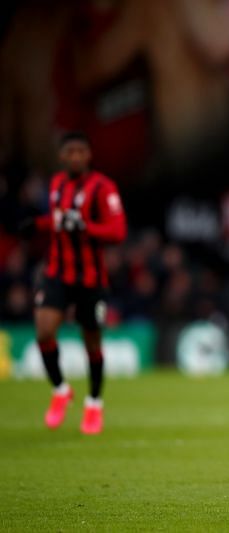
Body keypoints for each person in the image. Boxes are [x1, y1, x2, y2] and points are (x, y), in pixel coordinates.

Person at [32, 131, 127, 434]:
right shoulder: (57, 184)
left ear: (88, 155)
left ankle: (94, 404)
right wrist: (36, 225)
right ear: (62, 156)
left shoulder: (103, 187)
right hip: (57, 274)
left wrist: (87, 226)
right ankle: (61, 391)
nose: (75, 157)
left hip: (91, 279)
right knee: (44, 332)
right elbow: (57, 220)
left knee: (92, 343)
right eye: (69, 151)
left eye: (80, 151)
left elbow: (118, 231)